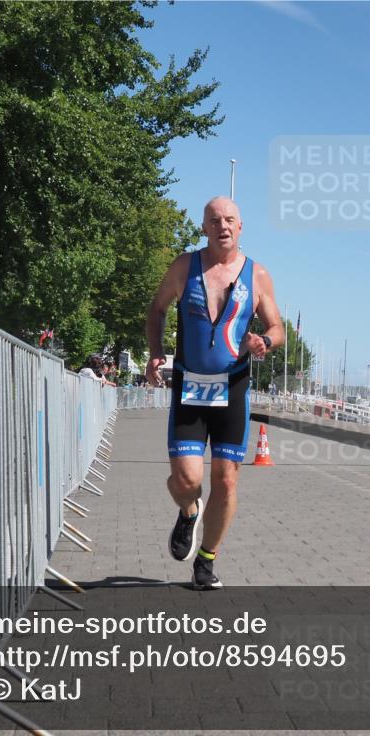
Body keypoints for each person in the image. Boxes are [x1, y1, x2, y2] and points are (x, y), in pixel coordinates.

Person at [146, 196, 283, 590]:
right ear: (204, 228)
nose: (222, 226)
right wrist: (156, 355)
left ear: (241, 227)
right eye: (214, 220)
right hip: (189, 387)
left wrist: (264, 342)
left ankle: (206, 561)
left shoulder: (257, 276)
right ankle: (188, 510)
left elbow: (278, 329)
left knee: (225, 480)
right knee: (186, 480)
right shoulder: (183, 267)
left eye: (229, 220)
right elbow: (156, 310)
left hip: (233, 388)